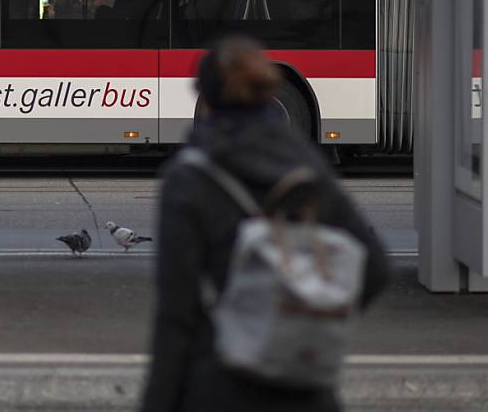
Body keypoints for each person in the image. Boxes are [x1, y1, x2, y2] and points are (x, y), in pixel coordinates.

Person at [141, 36, 388, 412]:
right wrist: (309, 310)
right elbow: (375, 267)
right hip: (305, 388)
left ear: (205, 97)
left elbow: (177, 315)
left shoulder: (189, 177)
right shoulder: (305, 164)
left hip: (221, 383)